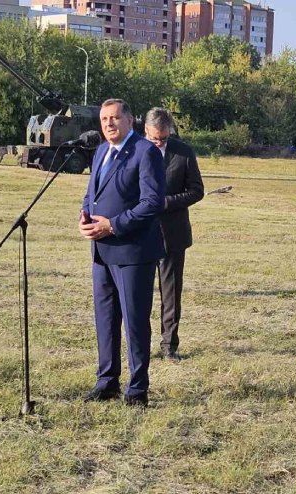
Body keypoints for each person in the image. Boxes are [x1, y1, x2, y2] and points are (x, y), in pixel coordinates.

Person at [79, 99, 166, 407]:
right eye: (104, 119)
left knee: (135, 323)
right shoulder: (101, 151)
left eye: (115, 118)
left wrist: (113, 225)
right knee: (105, 320)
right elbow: (91, 194)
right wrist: (84, 217)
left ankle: (137, 389)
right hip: (101, 253)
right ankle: (107, 382)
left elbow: (152, 203)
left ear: (130, 120)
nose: (109, 123)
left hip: (133, 253)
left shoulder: (145, 152)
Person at [144, 108, 204, 362]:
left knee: (170, 295)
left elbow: (197, 190)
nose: (159, 143)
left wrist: (167, 202)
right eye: (154, 138)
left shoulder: (183, 152)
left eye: (164, 138)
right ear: (145, 130)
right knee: (139, 296)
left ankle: (169, 346)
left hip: (172, 235)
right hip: (141, 235)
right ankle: (140, 346)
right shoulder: (134, 150)